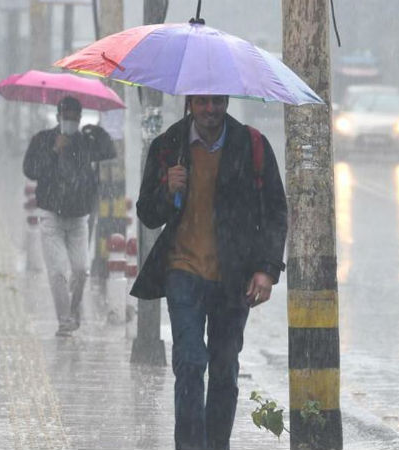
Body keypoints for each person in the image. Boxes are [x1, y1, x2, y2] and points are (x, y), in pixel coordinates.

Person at [130, 95, 288, 450]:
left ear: (227, 101)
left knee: (223, 369)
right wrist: (166, 188)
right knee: (188, 362)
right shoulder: (167, 146)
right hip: (182, 271)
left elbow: (275, 211)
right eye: (202, 102)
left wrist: (267, 270)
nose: (210, 110)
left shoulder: (251, 145)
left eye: (217, 102)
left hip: (234, 278)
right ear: (189, 103)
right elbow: (148, 214)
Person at [23, 96, 114, 337]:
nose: (71, 121)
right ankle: (64, 321)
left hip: (78, 218)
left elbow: (109, 152)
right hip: (51, 215)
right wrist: (54, 151)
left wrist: (98, 132)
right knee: (57, 271)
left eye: (76, 117)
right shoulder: (43, 140)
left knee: (81, 269)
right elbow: (30, 170)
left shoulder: (84, 143)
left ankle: (74, 311)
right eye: (67, 117)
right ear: (58, 117)